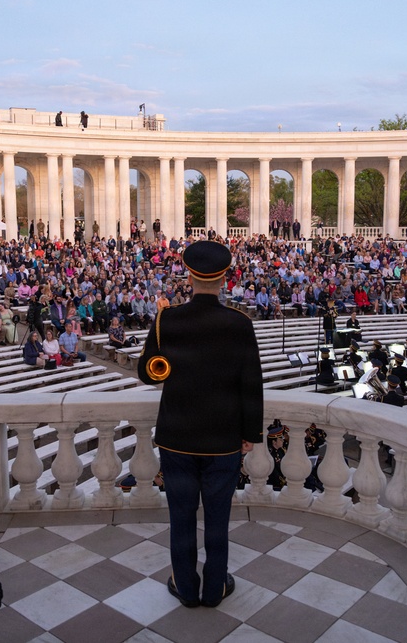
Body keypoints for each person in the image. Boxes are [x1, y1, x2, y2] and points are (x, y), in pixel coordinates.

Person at [137, 240, 263, 609]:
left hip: (177, 437)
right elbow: (251, 384)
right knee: (219, 519)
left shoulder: (167, 319)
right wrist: (250, 435)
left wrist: (158, 335)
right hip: (224, 440)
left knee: (181, 517)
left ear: (189, 276)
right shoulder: (240, 323)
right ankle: (215, 589)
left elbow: (148, 374)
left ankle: (186, 587)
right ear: (224, 278)